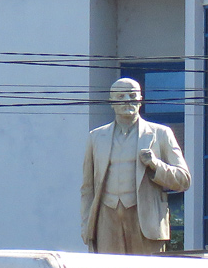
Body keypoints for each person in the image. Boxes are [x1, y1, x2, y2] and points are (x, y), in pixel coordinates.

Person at [81, 78, 191, 254]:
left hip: (145, 222)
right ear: (112, 102)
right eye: (121, 95)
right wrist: (87, 226)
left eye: (132, 95)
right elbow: (87, 189)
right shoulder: (96, 138)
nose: (127, 100)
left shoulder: (161, 134)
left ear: (141, 99)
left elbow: (183, 180)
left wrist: (156, 165)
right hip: (106, 221)